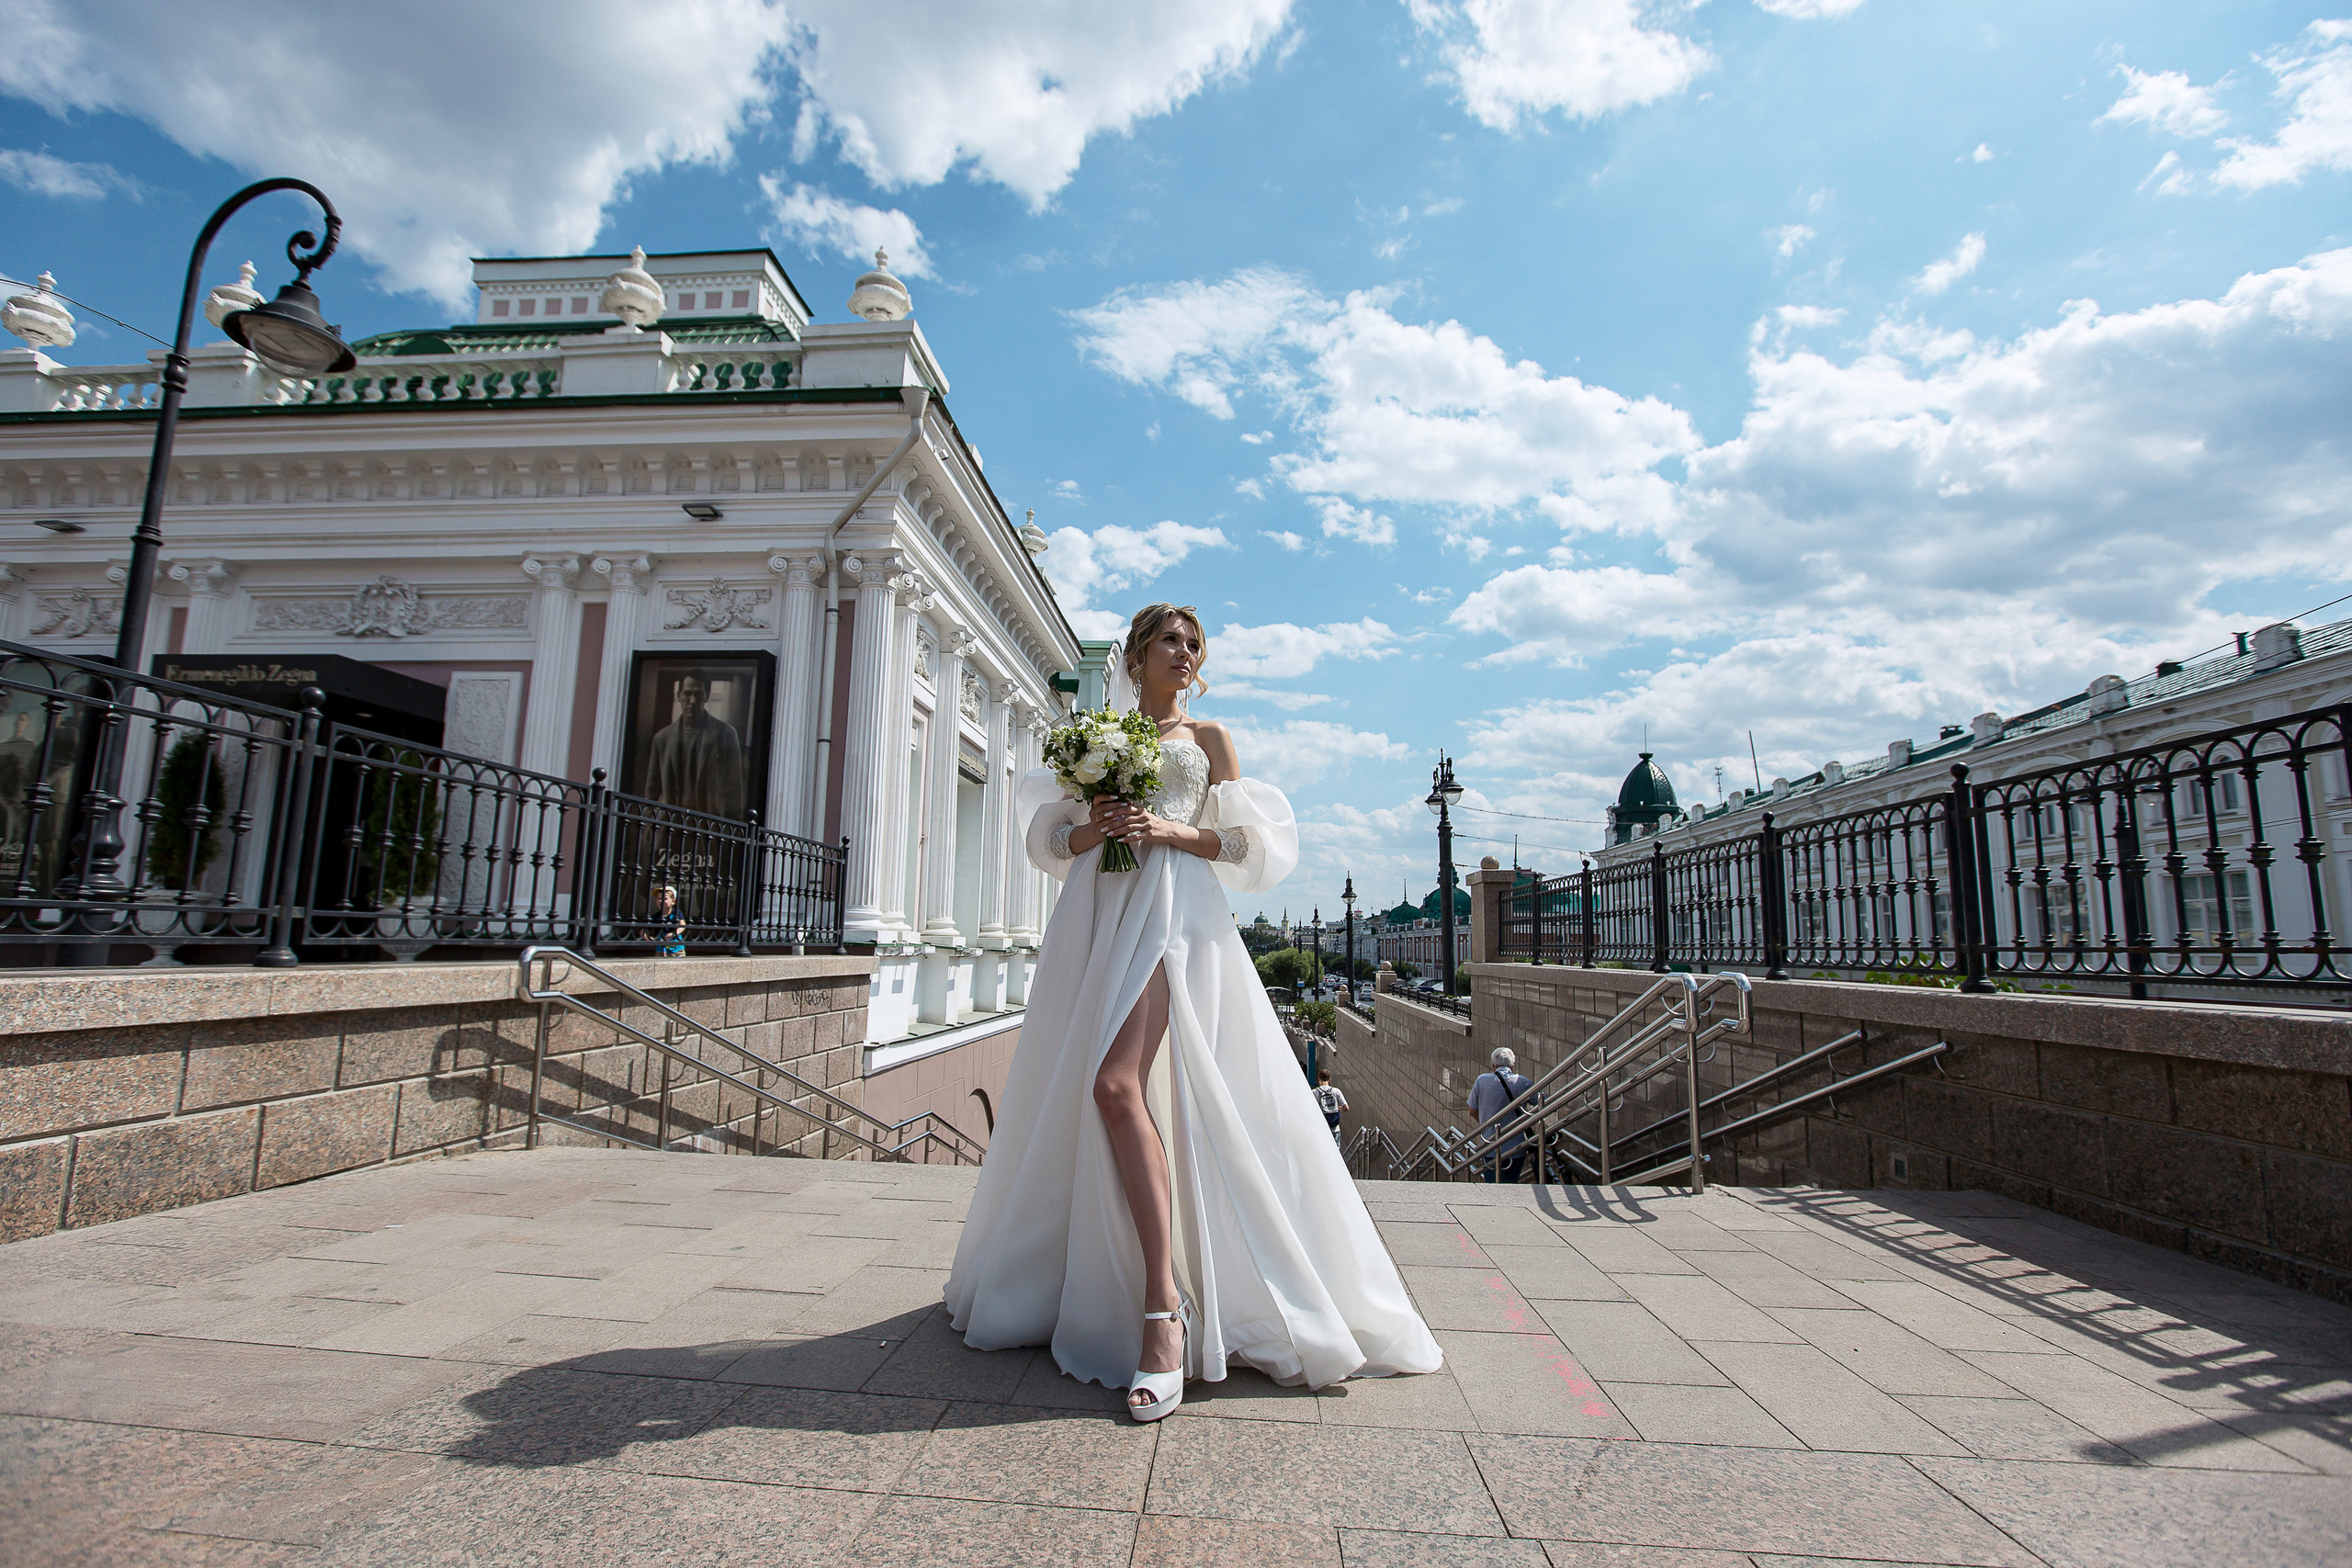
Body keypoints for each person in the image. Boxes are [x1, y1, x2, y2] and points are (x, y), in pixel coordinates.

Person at [945, 604, 1441, 1423]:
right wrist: (1095, 826)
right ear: (1137, 656)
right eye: (1170, 641)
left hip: (1175, 913)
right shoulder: (1094, 736)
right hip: (1099, 916)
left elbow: (1248, 850)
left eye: (1194, 644)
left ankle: (1160, 1314)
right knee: (1099, 1088)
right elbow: (1054, 840)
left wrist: (1169, 828)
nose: (1185, 654)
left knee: (1114, 1085)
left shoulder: (1208, 739)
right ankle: (1114, 1286)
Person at [647, 671, 745, 821]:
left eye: (699, 695)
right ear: (679, 695)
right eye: (687, 694)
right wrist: (649, 831)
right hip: (671, 827)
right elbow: (651, 793)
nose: (692, 701)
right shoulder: (662, 738)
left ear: (706, 696)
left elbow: (734, 792)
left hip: (708, 827)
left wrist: (731, 836)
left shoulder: (725, 734)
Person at [1466, 1047, 1537, 1184]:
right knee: (1511, 1182)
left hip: (1490, 1143)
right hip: (1516, 1144)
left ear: (1493, 1065)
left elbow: (1472, 1111)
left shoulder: (1482, 1080)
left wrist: (1486, 1126)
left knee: (1492, 1182)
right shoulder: (1523, 1082)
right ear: (1512, 1065)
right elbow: (1541, 1102)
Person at [1313, 1071, 1349, 1145]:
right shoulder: (1336, 1091)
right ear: (1329, 1079)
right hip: (1335, 1128)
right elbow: (1346, 1108)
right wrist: (1340, 1109)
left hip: (1321, 1128)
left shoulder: (1314, 1092)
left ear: (1319, 1079)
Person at [653, 885, 686, 957]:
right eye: (658, 898)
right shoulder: (656, 916)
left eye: (665, 898)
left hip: (677, 950)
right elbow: (643, 932)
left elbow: (682, 925)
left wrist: (674, 933)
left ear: (673, 901)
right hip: (661, 951)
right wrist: (651, 940)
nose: (660, 901)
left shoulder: (676, 913)